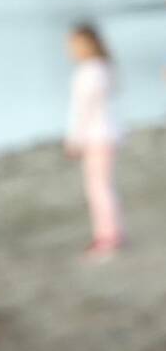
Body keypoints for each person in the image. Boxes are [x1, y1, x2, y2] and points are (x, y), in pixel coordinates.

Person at [65, 22, 125, 259]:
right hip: (110, 133)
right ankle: (113, 232)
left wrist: (75, 139)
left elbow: (83, 110)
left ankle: (108, 236)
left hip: (96, 137)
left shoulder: (88, 72)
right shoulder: (106, 68)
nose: (69, 50)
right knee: (104, 187)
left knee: (98, 188)